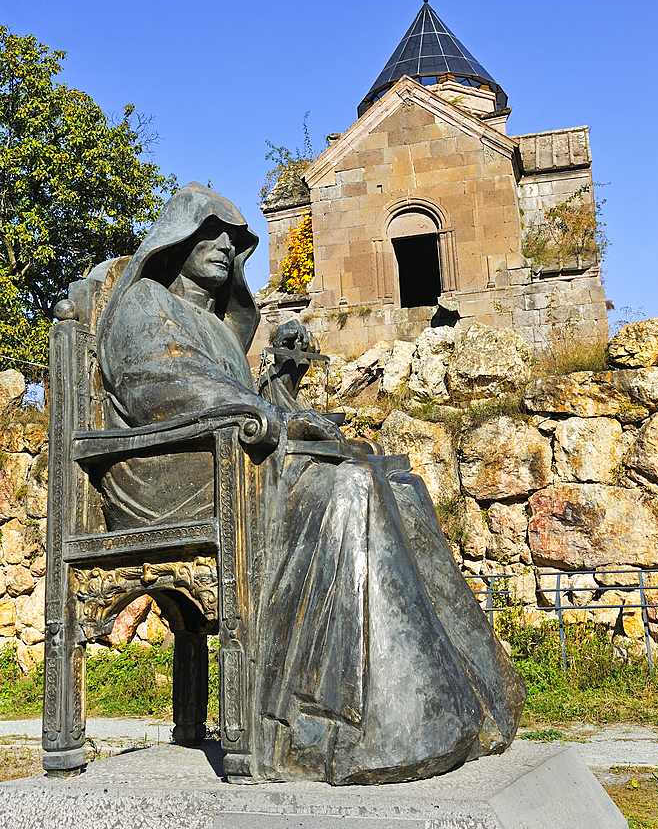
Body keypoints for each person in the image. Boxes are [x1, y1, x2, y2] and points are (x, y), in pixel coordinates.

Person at [97, 182, 525, 785]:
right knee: (347, 492)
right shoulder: (144, 303)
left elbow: (242, 402)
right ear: (179, 239)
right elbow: (163, 388)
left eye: (235, 239)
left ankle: (467, 701)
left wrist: (285, 396)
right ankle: (324, 724)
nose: (224, 247)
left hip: (225, 457)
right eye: (210, 233)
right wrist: (268, 416)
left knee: (392, 479)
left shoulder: (217, 326)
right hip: (163, 476)